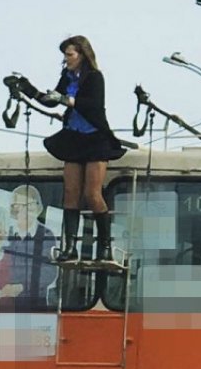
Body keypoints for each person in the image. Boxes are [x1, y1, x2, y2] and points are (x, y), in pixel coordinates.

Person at [17, 35, 125, 262]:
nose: (66, 60)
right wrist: (29, 90)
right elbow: (51, 100)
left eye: (70, 55)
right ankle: (69, 247)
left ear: (82, 55)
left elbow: (93, 105)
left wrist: (67, 100)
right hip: (74, 137)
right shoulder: (67, 77)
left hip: (95, 137)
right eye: (65, 55)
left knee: (92, 194)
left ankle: (104, 245)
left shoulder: (95, 77)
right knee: (70, 192)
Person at [3, 185, 57, 304]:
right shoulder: (6, 235)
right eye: (19, 207)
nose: (24, 212)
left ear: (37, 208)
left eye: (29, 207)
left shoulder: (46, 235)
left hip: (35, 302)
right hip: (5, 302)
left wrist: (22, 286)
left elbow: (49, 271)